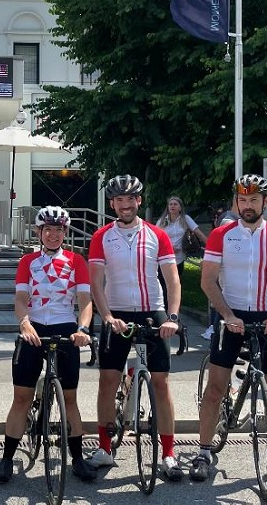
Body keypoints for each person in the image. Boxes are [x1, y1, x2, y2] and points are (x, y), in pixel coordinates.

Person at [192, 174, 267, 487]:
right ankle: (203, 452)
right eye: (243, 200)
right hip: (232, 317)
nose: (248, 205)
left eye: (254, 199)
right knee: (215, 389)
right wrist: (227, 314)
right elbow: (207, 281)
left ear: (265, 202)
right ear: (236, 202)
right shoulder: (221, 235)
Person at [87, 175, 185, 481]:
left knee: (161, 384)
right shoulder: (102, 236)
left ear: (139, 201)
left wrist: (172, 316)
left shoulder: (158, 234)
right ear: (112, 203)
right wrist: (106, 316)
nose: (125, 205)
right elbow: (95, 283)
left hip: (152, 311)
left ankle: (168, 453)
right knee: (107, 381)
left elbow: (172, 279)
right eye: (119, 200)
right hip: (116, 313)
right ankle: (105, 449)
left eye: (131, 199)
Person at [0, 207, 98, 484]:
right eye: (48, 230)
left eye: (59, 230)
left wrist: (83, 329)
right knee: (21, 398)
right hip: (34, 327)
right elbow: (19, 300)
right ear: (39, 232)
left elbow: (85, 303)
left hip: (65, 328)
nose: (53, 235)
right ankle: (6, 458)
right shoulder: (28, 262)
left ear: (65, 232)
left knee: (71, 399)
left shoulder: (76, 261)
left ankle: (77, 459)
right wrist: (24, 323)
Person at [156, 196, 208, 312]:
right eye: (170, 204)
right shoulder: (162, 220)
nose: (172, 206)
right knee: (163, 286)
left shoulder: (185, 219)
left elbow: (198, 233)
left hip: (178, 259)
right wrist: (168, 247)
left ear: (180, 207)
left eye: (175, 204)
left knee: (175, 285)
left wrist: (212, 247)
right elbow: (155, 238)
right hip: (164, 259)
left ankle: (174, 312)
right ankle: (163, 311)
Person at [203, 197, 240, 341]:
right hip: (225, 270)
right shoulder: (229, 220)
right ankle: (215, 334)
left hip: (227, 271)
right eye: (243, 199)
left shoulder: (233, 217)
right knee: (219, 301)